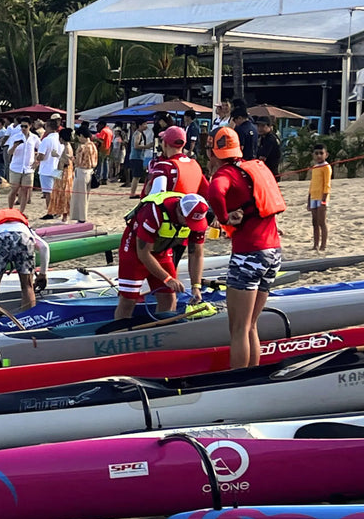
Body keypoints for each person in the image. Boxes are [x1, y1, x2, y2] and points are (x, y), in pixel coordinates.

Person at [204, 127, 285, 370]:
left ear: (213, 153)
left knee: (238, 328)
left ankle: (238, 379)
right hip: (273, 251)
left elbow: (215, 192)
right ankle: (253, 375)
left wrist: (224, 218)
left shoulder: (225, 174)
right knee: (251, 325)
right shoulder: (255, 168)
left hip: (249, 254)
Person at [112, 191, 210, 320]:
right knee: (129, 299)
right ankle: (120, 330)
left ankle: (164, 328)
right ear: (179, 211)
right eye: (188, 221)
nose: (190, 225)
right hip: (134, 251)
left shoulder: (198, 220)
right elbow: (143, 253)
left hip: (162, 251)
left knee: (169, 297)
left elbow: (196, 254)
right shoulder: (154, 212)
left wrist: (195, 286)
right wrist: (167, 279)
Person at [0, 207, 50, 315]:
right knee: (27, 286)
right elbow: (44, 247)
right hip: (23, 237)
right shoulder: (25, 227)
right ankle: (29, 318)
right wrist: (43, 274)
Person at [5, 122, 39, 210]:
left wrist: (37, 161)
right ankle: (10, 209)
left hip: (28, 168)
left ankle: (21, 212)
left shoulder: (34, 137)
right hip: (16, 167)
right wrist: (14, 146)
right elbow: (9, 152)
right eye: (22, 126)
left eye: (25, 126)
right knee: (14, 189)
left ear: (30, 126)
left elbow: (41, 149)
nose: (23, 128)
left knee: (25, 190)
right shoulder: (15, 137)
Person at [34, 121, 63, 217]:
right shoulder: (60, 138)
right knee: (56, 191)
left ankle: (50, 211)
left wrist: (37, 158)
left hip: (47, 168)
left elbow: (41, 156)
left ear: (49, 127)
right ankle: (57, 210)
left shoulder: (46, 140)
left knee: (48, 192)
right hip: (57, 167)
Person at [70, 130, 97, 223]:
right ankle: (82, 216)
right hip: (90, 171)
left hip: (82, 171)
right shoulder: (93, 146)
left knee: (80, 196)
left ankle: (81, 217)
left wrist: (72, 158)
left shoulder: (82, 147)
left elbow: (78, 162)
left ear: (82, 135)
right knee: (86, 196)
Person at [308, 142, 331, 251]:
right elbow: (312, 184)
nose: (318, 156)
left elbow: (327, 185)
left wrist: (324, 200)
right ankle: (315, 244)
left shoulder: (326, 167)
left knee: (322, 222)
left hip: (322, 198)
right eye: (316, 153)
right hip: (313, 197)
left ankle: (323, 245)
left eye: (321, 153)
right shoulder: (315, 167)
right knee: (314, 222)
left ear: (326, 155)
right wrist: (308, 200)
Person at [45, 129, 73, 219]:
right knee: (57, 192)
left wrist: (57, 156)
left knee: (63, 193)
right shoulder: (66, 146)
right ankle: (58, 212)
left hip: (64, 172)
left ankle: (64, 215)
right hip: (60, 170)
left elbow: (67, 161)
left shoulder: (67, 147)